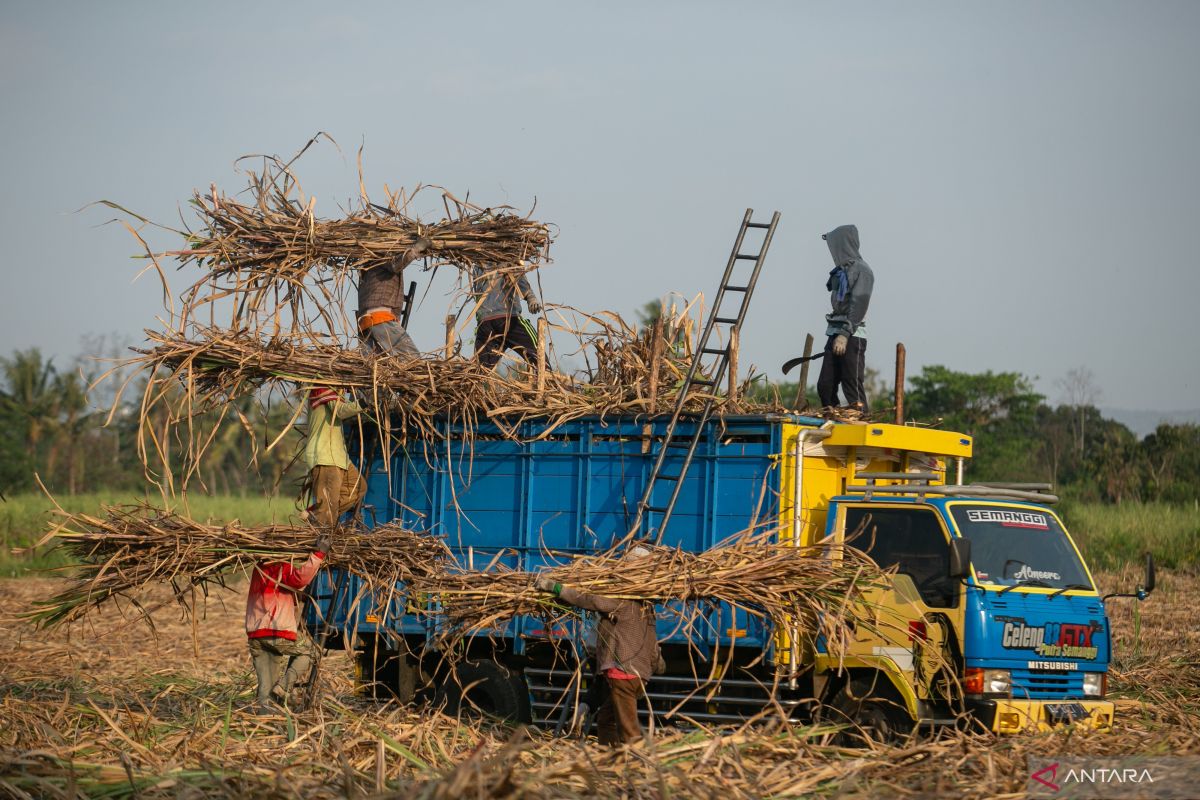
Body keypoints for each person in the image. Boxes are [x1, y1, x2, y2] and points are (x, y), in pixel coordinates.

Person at [534, 547, 663, 746]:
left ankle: (640, 766)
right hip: (638, 676)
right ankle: (610, 761)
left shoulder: (622, 600)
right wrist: (656, 665)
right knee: (606, 720)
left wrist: (557, 588)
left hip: (623, 674)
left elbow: (589, 600)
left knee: (629, 731)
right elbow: (654, 648)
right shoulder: (647, 608)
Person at [246, 534, 330, 713]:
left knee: (266, 686)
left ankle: (264, 721)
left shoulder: (259, 568)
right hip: (275, 631)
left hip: (255, 635)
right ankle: (284, 687)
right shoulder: (278, 565)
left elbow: (278, 590)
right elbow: (299, 579)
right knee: (311, 650)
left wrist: (298, 595)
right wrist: (318, 555)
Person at [816, 224, 875, 411]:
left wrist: (845, 333)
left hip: (852, 335)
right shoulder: (841, 271)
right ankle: (833, 417)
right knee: (825, 385)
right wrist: (837, 333)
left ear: (843, 245)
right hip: (834, 331)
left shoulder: (862, 270)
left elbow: (859, 303)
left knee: (851, 385)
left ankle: (860, 421)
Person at [304, 386, 366, 527]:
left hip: (339, 457)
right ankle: (320, 547)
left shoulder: (336, 392)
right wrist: (364, 403)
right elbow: (340, 411)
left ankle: (317, 511)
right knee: (327, 511)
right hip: (326, 456)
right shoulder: (323, 388)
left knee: (359, 487)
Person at [357, 239, 430, 358]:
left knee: (375, 364)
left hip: (366, 322)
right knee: (412, 358)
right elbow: (395, 265)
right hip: (380, 319)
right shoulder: (380, 254)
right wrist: (415, 250)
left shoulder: (368, 263)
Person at [469, 261, 542, 369]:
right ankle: (547, 378)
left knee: (480, 369)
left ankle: (469, 384)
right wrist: (531, 297)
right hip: (509, 320)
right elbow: (519, 278)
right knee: (539, 358)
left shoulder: (477, 265)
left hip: (485, 324)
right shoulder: (507, 259)